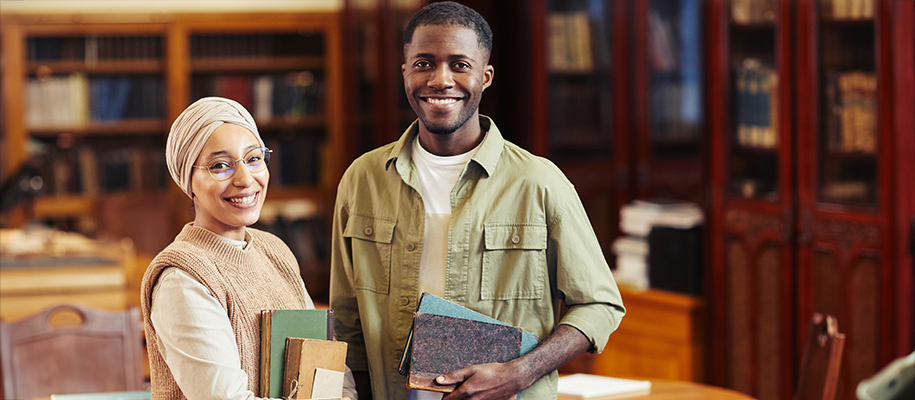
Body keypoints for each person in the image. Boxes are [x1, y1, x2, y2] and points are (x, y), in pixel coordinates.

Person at [329, 2, 626, 400]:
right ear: (405, 73)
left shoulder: (538, 182)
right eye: (423, 63)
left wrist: (519, 373)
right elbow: (347, 325)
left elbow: (599, 305)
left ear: (485, 77)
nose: (440, 79)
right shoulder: (362, 179)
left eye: (460, 64)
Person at [140, 97, 356, 400]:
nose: (245, 179)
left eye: (254, 158)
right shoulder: (182, 277)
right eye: (220, 166)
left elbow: (328, 361)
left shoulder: (275, 250)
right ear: (188, 181)